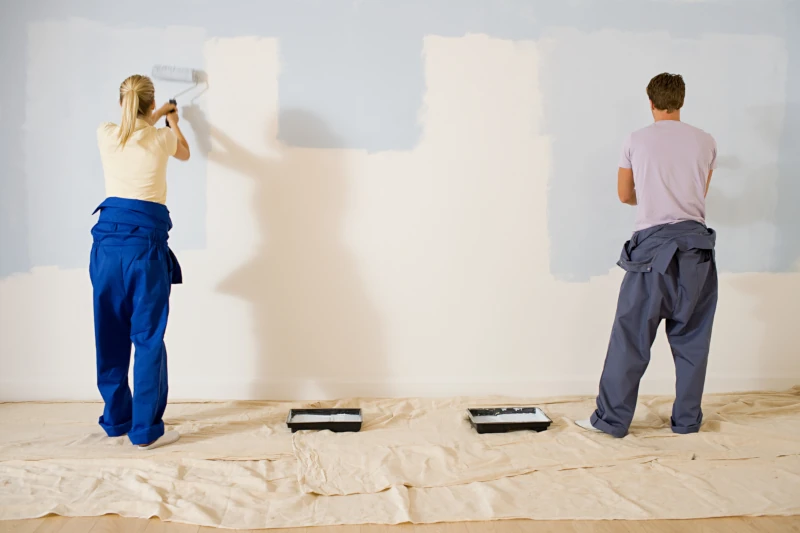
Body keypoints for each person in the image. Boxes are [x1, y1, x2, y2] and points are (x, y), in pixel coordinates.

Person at [576, 73, 718, 438]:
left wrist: (652, 196)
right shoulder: (706, 142)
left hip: (653, 250)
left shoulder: (636, 140)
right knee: (692, 338)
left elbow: (625, 195)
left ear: (651, 102)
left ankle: (611, 421)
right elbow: (698, 194)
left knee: (631, 336)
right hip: (697, 250)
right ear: (681, 102)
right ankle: (686, 423)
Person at [91, 74, 191, 449]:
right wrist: (174, 120)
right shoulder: (162, 138)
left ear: (122, 104)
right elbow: (184, 152)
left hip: (105, 250)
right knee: (147, 338)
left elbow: (132, 126)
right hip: (144, 252)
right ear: (152, 106)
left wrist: (153, 114)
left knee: (109, 335)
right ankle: (145, 431)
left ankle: (117, 421)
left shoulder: (105, 134)